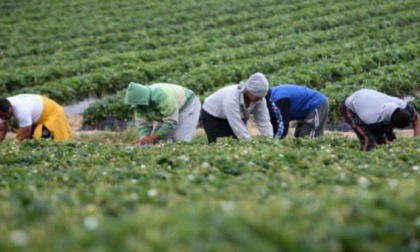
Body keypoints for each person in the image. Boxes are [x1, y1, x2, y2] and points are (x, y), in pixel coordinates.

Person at [201, 72, 273, 143]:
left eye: (261, 97)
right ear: (249, 90)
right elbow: (235, 122)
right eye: (257, 96)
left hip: (237, 115)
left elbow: (263, 120)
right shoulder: (232, 97)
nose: (259, 99)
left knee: (238, 142)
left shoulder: (260, 99)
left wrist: (270, 140)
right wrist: (248, 143)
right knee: (221, 143)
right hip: (213, 114)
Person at [339, 89, 420, 151]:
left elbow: (416, 120)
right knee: (368, 138)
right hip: (349, 106)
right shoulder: (372, 119)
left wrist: (416, 141)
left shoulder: (402, 105)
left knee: (390, 136)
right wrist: (392, 149)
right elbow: (382, 141)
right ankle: (365, 160)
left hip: (366, 97)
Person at [124, 82, 201, 145]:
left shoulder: (162, 97)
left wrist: (152, 137)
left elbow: (171, 122)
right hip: (166, 113)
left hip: (187, 105)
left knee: (180, 140)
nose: (136, 107)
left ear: (143, 99)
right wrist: (143, 139)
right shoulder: (139, 105)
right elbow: (144, 124)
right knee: (158, 142)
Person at [0, 94, 73, 142]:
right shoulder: (1, 111)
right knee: (30, 141)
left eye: (4, 115)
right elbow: (2, 131)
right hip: (37, 116)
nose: (2, 118)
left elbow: (25, 134)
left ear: (9, 110)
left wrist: (13, 146)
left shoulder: (21, 110)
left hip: (52, 113)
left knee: (42, 141)